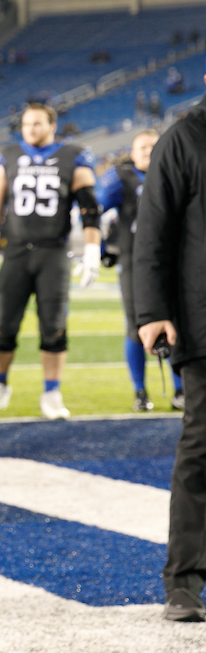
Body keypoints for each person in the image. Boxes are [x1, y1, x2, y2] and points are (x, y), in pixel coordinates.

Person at [0, 102, 101, 420]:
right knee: (2, 325)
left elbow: (89, 207)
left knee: (54, 328)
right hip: (15, 250)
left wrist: (92, 250)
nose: (31, 129)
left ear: (52, 126)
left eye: (38, 123)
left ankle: (52, 391)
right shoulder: (8, 155)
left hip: (53, 252)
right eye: (27, 124)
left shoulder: (73, 156)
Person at [133, 70, 206, 622]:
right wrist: (153, 312)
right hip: (203, 324)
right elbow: (154, 229)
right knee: (201, 449)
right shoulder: (184, 138)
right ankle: (182, 581)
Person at [97, 130, 184, 412]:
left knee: (179, 324)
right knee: (136, 327)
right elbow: (94, 210)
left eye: (153, 145)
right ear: (132, 154)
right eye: (142, 146)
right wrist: (101, 249)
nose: (148, 150)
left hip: (176, 260)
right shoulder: (121, 178)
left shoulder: (175, 171)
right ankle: (140, 391)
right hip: (136, 263)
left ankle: (181, 389)